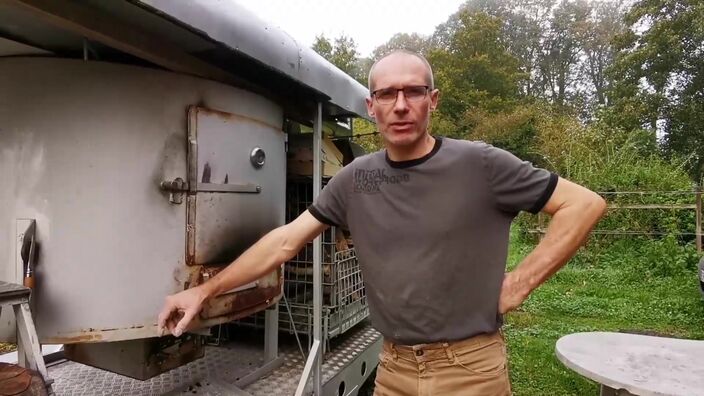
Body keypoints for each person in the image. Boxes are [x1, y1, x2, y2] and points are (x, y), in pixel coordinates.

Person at [157, 50, 606, 395]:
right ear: (371, 107)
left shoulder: (480, 165)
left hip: (469, 369)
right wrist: (206, 289)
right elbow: (283, 243)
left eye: (413, 92)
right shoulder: (356, 178)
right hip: (393, 369)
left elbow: (582, 205)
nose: (401, 105)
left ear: (433, 101)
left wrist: (519, 283)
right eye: (388, 95)